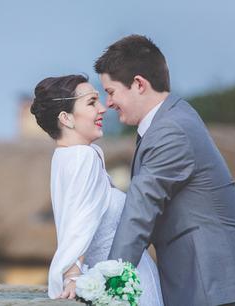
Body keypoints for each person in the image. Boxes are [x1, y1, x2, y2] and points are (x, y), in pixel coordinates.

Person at [94, 34, 235, 306]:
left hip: (213, 291)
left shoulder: (170, 131)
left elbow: (141, 210)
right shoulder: (171, 120)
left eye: (111, 91)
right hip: (206, 290)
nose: (108, 103)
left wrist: (108, 284)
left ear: (138, 84)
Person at [30, 74, 164, 305]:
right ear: (66, 118)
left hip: (111, 282)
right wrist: (73, 276)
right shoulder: (83, 157)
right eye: (92, 102)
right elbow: (78, 222)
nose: (103, 108)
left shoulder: (63, 156)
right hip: (124, 287)